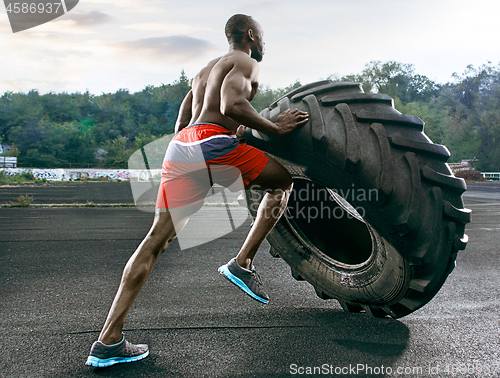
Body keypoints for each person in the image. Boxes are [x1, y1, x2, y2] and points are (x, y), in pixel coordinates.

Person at [86, 14, 309, 368]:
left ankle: (108, 340)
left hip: (182, 144)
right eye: (262, 35)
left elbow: (183, 123)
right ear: (250, 34)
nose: (263, 42)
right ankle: (242, 263)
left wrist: (225, 141)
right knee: (282, 183)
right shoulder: (245, 60)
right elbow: (231, 106)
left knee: (156, 240)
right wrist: (275, 128)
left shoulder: (203, 71)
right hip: (210, 144)